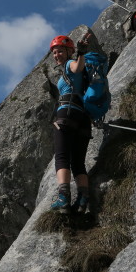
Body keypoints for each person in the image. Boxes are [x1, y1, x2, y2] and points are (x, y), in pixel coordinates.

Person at [49, 33, 92, 214]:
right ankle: (82, 200)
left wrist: (81, 53)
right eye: (54, 53)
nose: (56, 55)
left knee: (62, 157)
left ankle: (63, 197)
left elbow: (76, 68)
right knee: (78, 163)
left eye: (59, 51)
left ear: (68, 51)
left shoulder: (69, 64)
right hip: (83, 119)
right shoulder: (83, 78)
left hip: (67, 114)